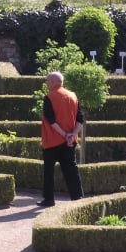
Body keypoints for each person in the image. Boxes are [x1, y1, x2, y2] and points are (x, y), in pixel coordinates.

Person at [38, 71, 84, 206]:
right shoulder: (73, 96)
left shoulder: (49, 97)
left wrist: (64, 134)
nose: (46, 84)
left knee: (49, 171)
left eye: (47, 81)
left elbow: (51, 120)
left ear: (53, 82)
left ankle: (49, 199)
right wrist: (72, 134)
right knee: (71, 169)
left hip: (52, 140)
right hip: (69, 142)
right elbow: (80, 119)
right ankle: (77, 197)